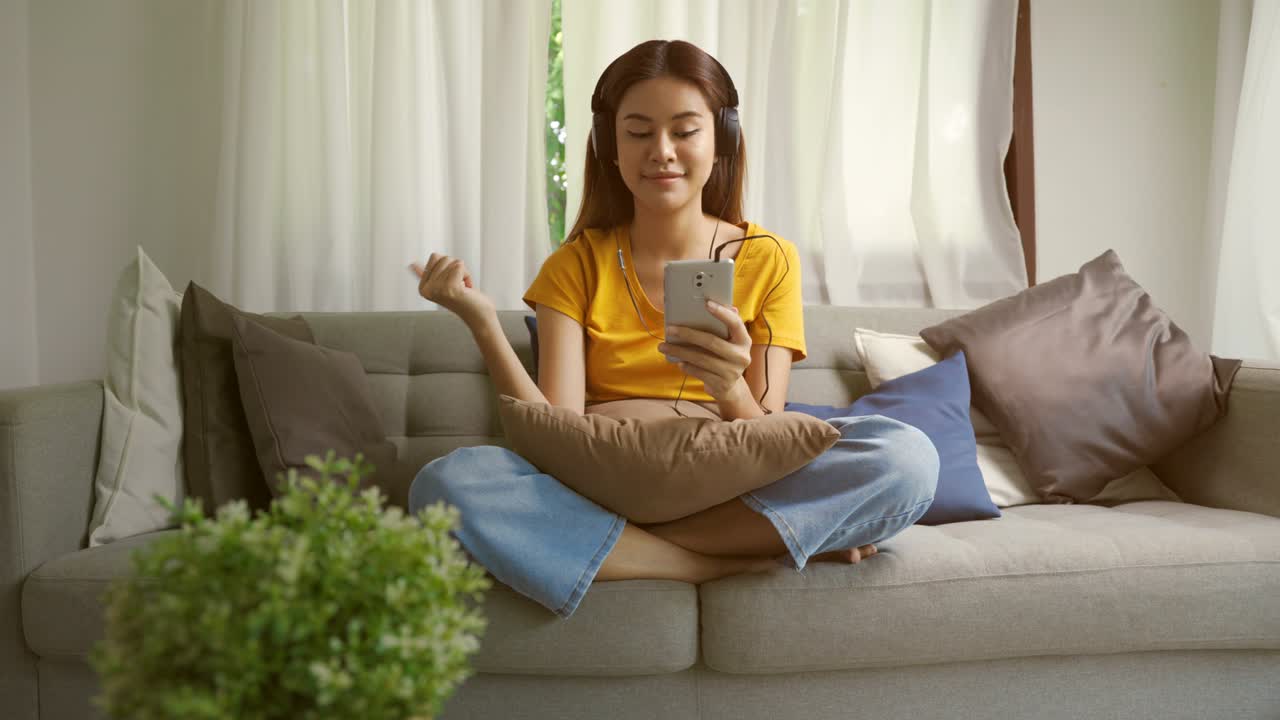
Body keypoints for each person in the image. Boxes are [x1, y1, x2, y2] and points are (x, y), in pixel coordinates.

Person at [407, 40, 938, 618]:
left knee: (906, 457)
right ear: (609, 145)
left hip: (729, 478)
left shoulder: (769, 258)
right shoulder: (574, 264)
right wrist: (481, 321)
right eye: (638, 132)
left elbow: (767, 432)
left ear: (721, 139)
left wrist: (729, 387)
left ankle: (609, 543)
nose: (661, 152)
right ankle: (711, 561)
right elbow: (556, 433)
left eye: (684, 131)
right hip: (601, 478)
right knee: (445, 483)